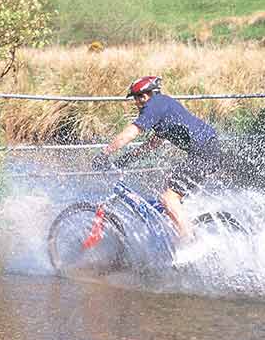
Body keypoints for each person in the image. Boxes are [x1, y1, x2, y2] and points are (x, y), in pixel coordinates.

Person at [92, 75, 222, 240]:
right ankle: (177, 224)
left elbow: (132, 132)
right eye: (135, 98)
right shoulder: (163, 105)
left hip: (204, 153)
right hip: (206, 150)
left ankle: (189, 242)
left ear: (148, 95)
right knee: (168, 186)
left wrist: (105, 153)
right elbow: (153, 143)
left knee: (168, 198)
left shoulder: (154, 105)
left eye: (139, 97)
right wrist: (126, 159)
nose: (137, 102)